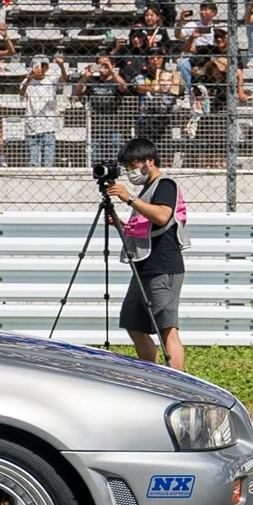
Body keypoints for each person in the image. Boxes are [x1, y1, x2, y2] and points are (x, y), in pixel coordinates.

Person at [104, 136, 186, 370]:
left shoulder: (165, 184)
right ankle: (152, 374)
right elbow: (147, 228)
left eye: (134, 165)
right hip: (143, 266)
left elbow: (162, 216)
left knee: (166, 328)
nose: (131, 171)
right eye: (128, 167)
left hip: (164, 266)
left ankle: (177, 384)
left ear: (150, 161)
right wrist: (119, 224)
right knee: (134, 323)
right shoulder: (148, 189)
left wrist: (128, 198)